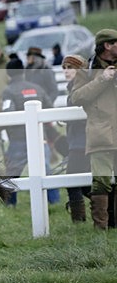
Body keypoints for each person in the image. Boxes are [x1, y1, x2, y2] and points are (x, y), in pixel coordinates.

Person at [69, 28, 117, 230]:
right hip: (101, 134)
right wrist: (102, 79)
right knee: (101, 183)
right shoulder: (86, 70)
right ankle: (100, 229)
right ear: (107, 45)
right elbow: (76, 97)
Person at [0, 58, 54, 206]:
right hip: (40, 137)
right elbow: (50, 108)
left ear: (8, 73)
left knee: (12, 173)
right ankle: (53, 201)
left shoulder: (8, 91)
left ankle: (10, 204)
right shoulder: (37, 88)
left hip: (18, 139)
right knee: (46, 171)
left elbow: (7, 114)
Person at [60, 54, 90, 223]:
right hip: (78, 142)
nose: (66, 71)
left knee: (72, 181)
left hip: (81, 142)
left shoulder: (81, 89)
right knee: (85, 184)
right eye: (64, 68)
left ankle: (79, 220)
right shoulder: (73, 87)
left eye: (70, 67)